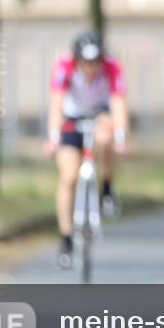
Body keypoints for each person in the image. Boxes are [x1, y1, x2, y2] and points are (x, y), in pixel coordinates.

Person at [44, 31, 128, 268]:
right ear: (77, 59)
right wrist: (52, 136)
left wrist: (121, 136)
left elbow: (119, 104)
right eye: (86, 62)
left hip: (99, 114)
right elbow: (56, 103)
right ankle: (66, 237)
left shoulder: (112, 68)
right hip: (71, 118)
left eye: (95, 62)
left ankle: (108, 188)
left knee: (105, 138)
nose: (91, 67)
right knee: (68, 176)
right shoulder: (64, 67)